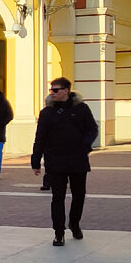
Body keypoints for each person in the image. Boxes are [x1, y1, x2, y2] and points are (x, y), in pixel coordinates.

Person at [31, 77, 98, 247]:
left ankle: (74, 224)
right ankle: (58, 232)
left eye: (56, 90)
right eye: (51, 90)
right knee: (57, 197)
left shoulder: (81, 109)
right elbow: (40, 137)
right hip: (55, 160)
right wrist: (35, 161)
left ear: (66, 91)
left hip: (77, 159)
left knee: (79, 195)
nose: (52, 92)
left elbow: (92, 129)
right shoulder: (47, 112)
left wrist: (84, 145)